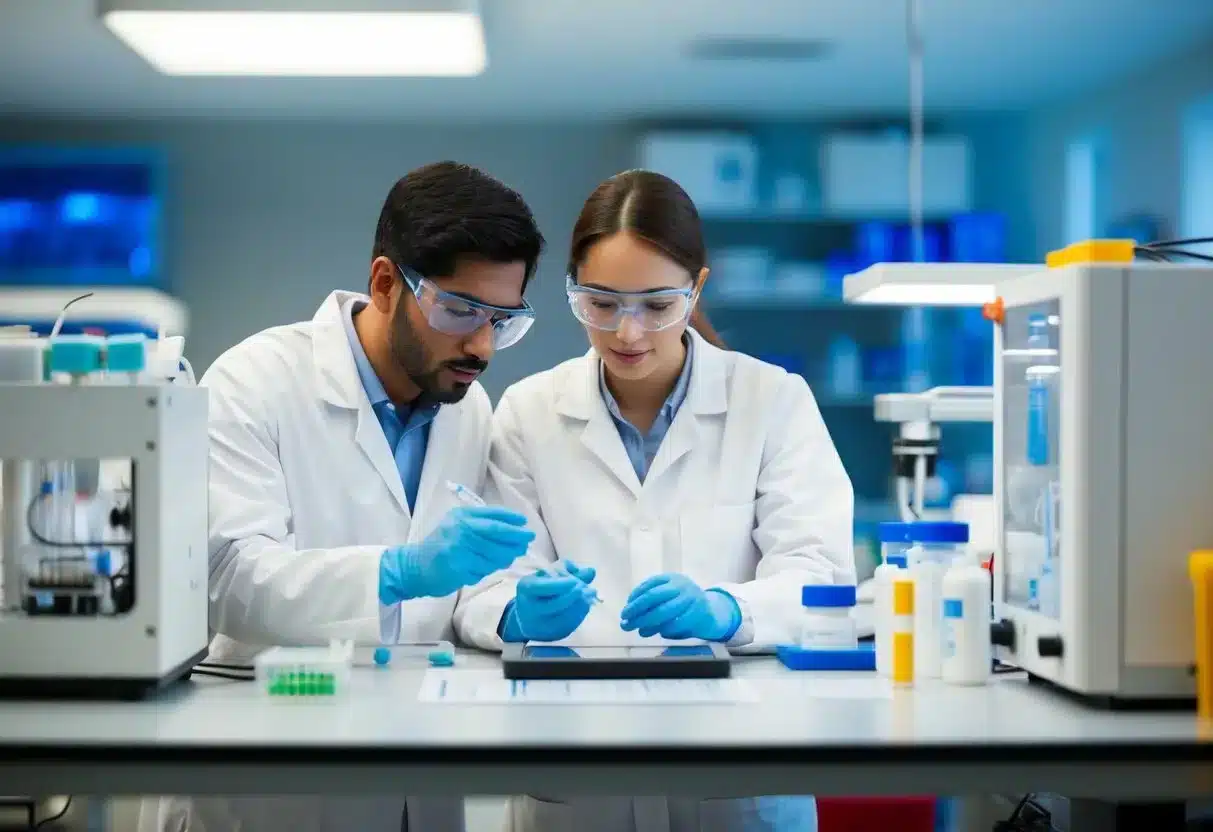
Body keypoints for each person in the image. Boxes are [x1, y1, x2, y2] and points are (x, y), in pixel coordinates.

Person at [139, 161, 545, 832]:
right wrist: (397, 572)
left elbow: (462, 594)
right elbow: (223, 576)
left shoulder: (467, 408)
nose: (481, 344)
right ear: (386, 282)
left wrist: (510, 606)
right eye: (459, 309)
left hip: (415, 772)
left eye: (502, 320)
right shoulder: (255, 381)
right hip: (268, 785)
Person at [455, 170, 856, 832]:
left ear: (695, 288)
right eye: (600, 304)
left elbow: (821, 576)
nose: (628, 332)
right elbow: (486, 585)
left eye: (656, 305)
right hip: (575, 770)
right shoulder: (529, 412)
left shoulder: (771, 401)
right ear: (571, 292)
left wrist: (729, 610)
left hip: (739, 768)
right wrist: (517, 613)